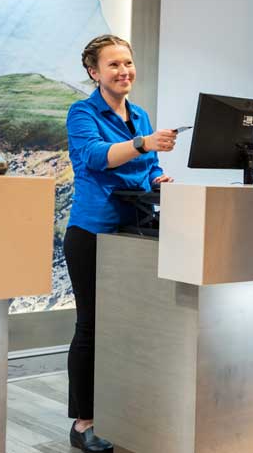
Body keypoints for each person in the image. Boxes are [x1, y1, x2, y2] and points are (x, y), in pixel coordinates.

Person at [64, 34, 178, 453]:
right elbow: (95, 157)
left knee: (131, 328)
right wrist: (141, 145)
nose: (124, 71)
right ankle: (83, 423)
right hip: (93, 234)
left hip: (136, 235)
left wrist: (156, 177)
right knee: (91, 328)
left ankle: (124, 410)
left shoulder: (140, 115)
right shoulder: (82, 112)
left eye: (127, 62)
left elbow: (147, 166)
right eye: (113, 65)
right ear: (94, 73)